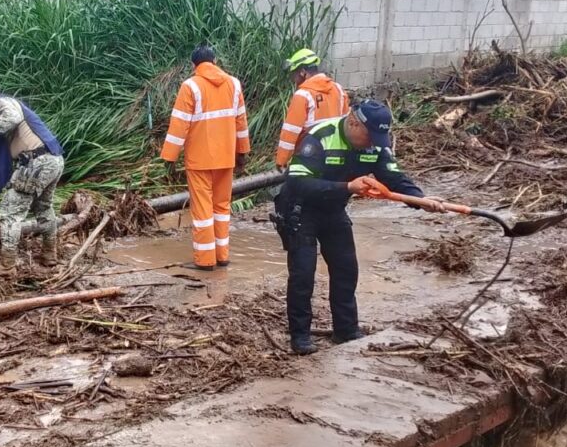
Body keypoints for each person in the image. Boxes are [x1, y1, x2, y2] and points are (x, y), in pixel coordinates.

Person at [274, 100, 444, 354]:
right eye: (370, 136)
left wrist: (421, 199)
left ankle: (346, 330)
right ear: (353, 121)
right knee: (303, 274)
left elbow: (395, 178)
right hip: (300, 209)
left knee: (346, 268)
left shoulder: (375, 147)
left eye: (378, 137)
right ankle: (300, 336)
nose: (373, 142)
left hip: (334, 209)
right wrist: (347, 188)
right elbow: (297, 183)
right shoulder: (320, 137)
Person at [160, 45, 251, 270]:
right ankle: (222, 256)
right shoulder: (234, 84)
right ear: (215, 60)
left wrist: (169, 158)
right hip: (227, 157)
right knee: (221, 208)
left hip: (200, 160)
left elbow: (179, 124)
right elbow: (241, 122)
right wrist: (242, 153)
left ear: (194, 65)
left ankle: (205, 260)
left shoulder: (190, 86)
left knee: (202, 211)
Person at [0, 81, 65, 276]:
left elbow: (13, 116)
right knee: (44, 207)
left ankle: (7, 265)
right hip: (53, 160)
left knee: (9, 211)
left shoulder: (1, 103)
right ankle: (49, 255)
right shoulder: (1, 121)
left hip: (36, 162)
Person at [275, 48, 350, 171]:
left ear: (303, 72)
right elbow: (347, 125)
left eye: (294, 74)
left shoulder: (303, 95)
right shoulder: (338, 89)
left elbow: (290, 132)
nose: (293, 80)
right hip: (337, 156)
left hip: (309, 156)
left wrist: (281, 160)